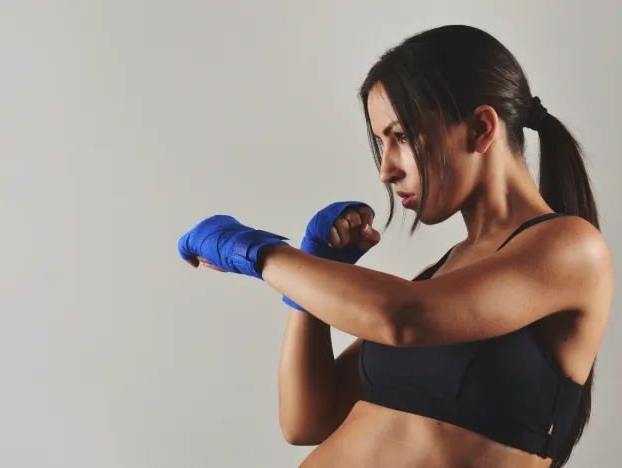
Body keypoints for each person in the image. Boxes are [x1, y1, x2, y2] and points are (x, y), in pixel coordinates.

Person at [178, 25, 613, 468]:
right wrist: (309, 281)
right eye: (380, 142)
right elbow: (306, 420)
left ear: (481, 128)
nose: (385, 170)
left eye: (401, 136)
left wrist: (257, 252)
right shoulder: (441, 277)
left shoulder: (572, 249)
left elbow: (402, 318)